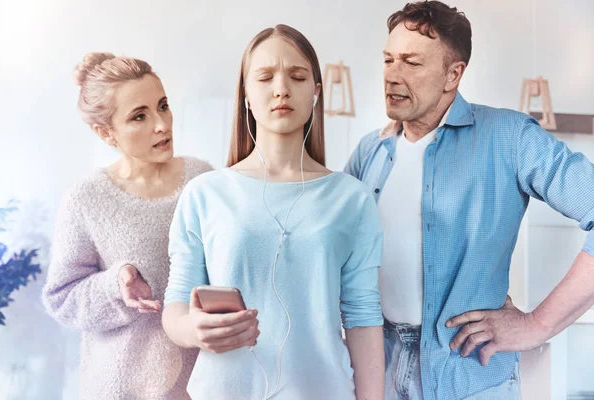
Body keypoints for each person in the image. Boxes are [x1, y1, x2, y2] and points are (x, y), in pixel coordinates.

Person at [345, 1, 594, 399]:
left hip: (470, 377)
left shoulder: (509, 138)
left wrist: (537, 325)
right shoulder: (368, 153)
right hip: (380, 372)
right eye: (388, 59)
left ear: (453, 74)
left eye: (411, 63)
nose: (391, 75)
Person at [162, 24, 385, 400]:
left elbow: (363, 318)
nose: (281, 88)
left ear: (316, 93)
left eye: (297, 77)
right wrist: (193, 330)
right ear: (246, 95)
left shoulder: (352, 198)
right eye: (265, 78)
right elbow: (176, 306)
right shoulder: (205, 193)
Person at [42, 52, 212, 399]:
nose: (162, 124)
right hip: (119, 389)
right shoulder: (86, 198)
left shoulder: (203, 180)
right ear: (105, 132)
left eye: (163, 106)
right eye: (140, 116)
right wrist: (116, 286)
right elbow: (62, 298)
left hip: (201, 385)